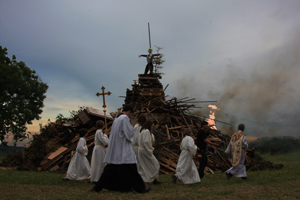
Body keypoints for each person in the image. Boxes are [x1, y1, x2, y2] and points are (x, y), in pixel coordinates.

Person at [91, 105, 150, 193]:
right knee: (131, 168)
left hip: (116, 147)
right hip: (123, 147)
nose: (130, 116)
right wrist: (132, 135)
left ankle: (102, 187)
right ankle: (140, 189)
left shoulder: (117, 119)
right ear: (129, 111)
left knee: (111, 169)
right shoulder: (125, 118)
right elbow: (128, 133)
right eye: (131, 114)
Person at [137, 120, 161, 184]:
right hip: (145, 150)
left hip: (141, 150)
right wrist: (150, 150)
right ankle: (152, 178)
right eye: (152, 126)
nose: (152, 127)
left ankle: (150, 178)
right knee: (155, 164)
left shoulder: (142, 131)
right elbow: (146, 142)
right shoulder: (146, 131)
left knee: (146, 165)